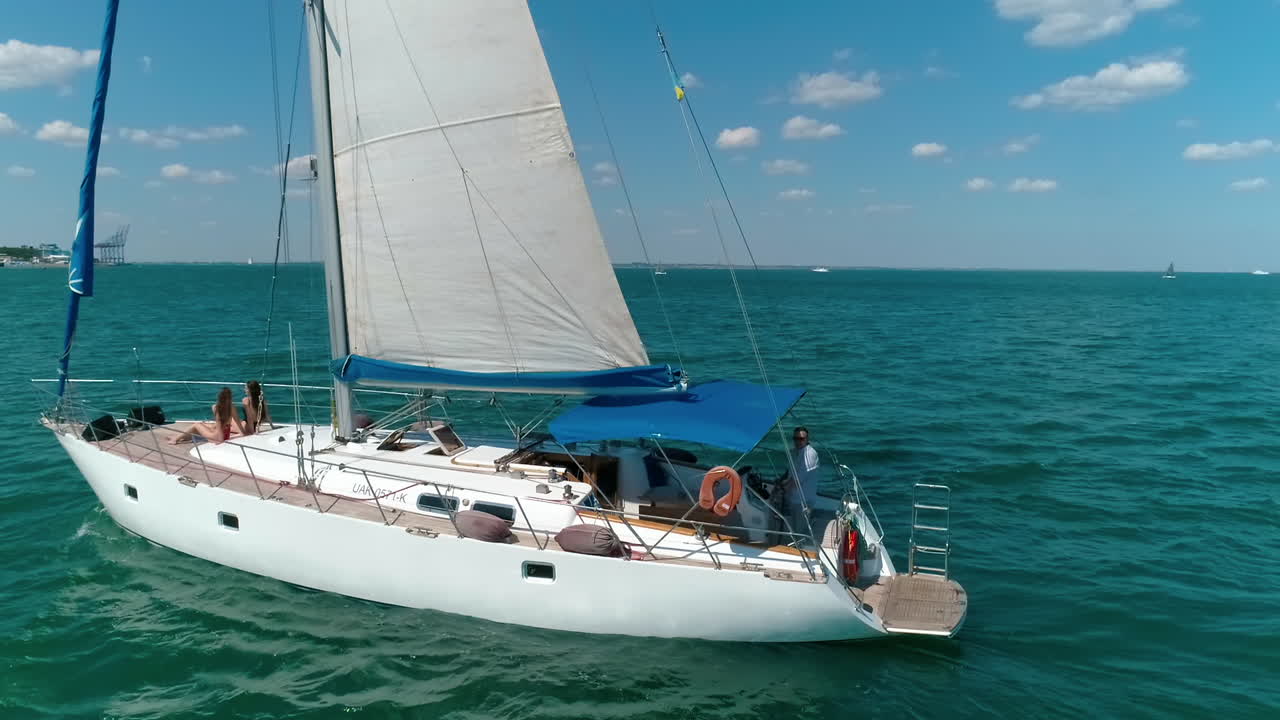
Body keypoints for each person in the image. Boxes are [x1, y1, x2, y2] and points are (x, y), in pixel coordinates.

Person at [778, 426, 820, 533]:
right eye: (795, 438)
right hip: (793, 499)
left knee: (799, 532)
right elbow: (791, 472)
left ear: (807, 439)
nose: (798, 441)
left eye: (801, 439)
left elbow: (797, 480)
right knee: (793, 528)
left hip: (803, 502)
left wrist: (781, 490)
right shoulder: (796, 452)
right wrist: (781, 480)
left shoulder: (809, 454)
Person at [168, 387, 243, 444]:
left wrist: (220, 441)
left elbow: (219, 425)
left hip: (217, 437)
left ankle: (175, 439)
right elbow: (237, 422)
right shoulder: (232, 407)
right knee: (206, 426)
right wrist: (242, 433)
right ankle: (180, 437)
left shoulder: (216, 407)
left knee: (196, 425)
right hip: (225, 435)